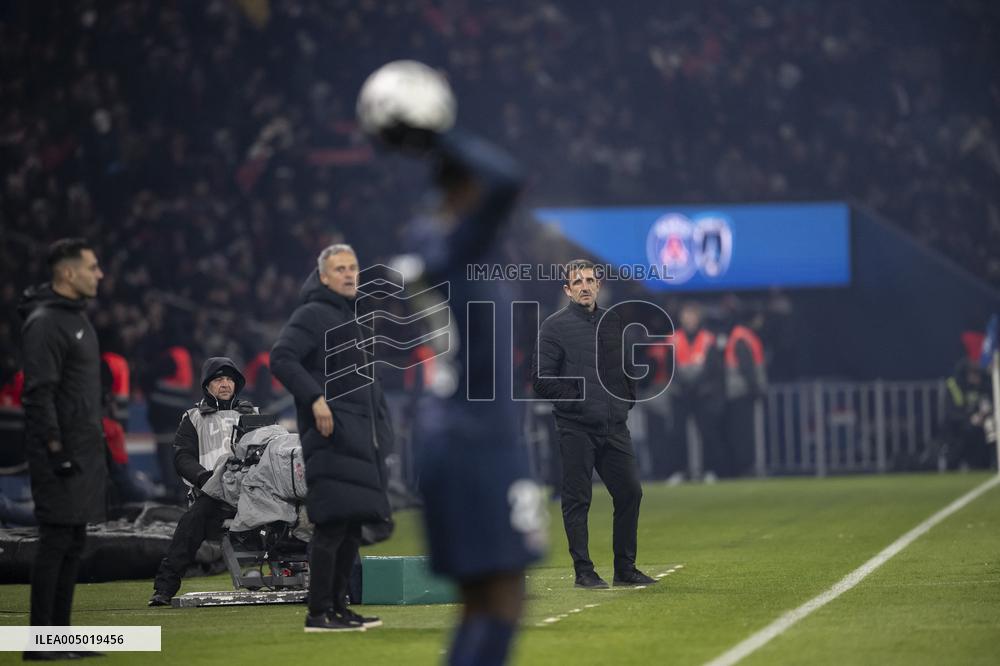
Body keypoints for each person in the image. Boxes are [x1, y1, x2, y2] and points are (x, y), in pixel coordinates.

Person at [271, 244, 393, 632]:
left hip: (358, 438)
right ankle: (318, 612)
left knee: (352, 525)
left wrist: (381, 431)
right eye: (339, 268)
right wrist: (314, 399)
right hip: (330, 435)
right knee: (332, 525)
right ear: (323, 276)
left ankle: (339, 607)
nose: (348, 274)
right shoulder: (312, 313)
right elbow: (282, 357)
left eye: (353, 267)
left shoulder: (352, 319)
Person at [533, 259, 655, 589]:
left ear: (598, 285)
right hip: (576, 427)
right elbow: (542, 380)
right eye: (578, 282)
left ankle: (625, 569)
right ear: (568, 290)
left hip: (614, 426)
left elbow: (628, 368)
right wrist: (579, 402)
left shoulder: (613, 322)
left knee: (630, 492)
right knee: (577, 499)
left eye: (590, 280)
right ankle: (583, 571)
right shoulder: (553, 327)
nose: (585, 286)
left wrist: (624, 401)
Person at [19, 238, 107, 660]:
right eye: (92, 267)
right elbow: (38, 395)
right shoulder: (45, 322)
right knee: (55, 543)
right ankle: (40, 645)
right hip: (59, 453)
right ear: (69, 273)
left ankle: (61, 640)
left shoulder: (76, 319)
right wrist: (56, 449)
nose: (100, 274)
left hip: (83, 449)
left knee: (73, 544)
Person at [148, 357, 256, 606]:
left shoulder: (253, 415)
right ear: (207, 385)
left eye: (229, 379)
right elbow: (182, 457)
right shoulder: (193, 417)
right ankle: (164, 589)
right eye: (219, 379)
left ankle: (318, 580)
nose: (225, 384)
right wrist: (204, 478)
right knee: (191, 523)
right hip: (213, 494)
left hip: (253, 491)